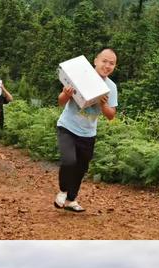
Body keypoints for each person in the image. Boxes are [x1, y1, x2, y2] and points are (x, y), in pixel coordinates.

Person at [55, 48, 118, 212]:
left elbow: (111, 115)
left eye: (111, 63)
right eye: (104, 61)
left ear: (115, 67)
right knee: (69, 160)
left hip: (88, 133)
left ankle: (71, 200)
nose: (107, 65)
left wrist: (103, 104)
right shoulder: (81, 76)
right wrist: (67, 94)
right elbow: (60, 102)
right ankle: (62, 190)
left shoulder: (111, 87)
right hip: (67, 126)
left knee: (81, 167)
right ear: (95, 61)